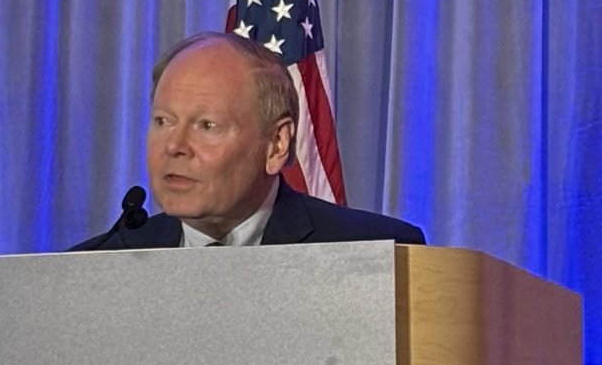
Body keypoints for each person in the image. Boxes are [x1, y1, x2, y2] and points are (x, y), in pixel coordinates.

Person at [71, 31, 424, 250]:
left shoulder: (377, 253)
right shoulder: (96, 267)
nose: (174, 146)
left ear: (276, 145)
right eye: (163, 121)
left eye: (206, 126)